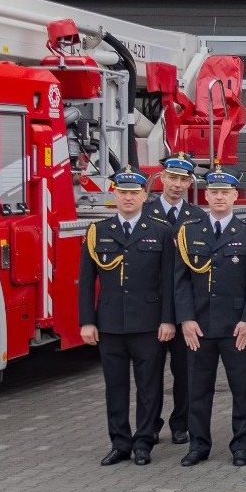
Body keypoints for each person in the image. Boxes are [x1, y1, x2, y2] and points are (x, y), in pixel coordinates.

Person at [81, 171, 176, 466]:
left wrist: (168, 320)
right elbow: (86, 281)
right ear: (115, 196)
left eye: (134, 193)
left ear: (144, 197)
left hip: (148, 323)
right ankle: (120, 442)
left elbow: (168, 282)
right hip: (110, 323)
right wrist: (87, 321)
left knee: (149, 386)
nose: (128, 197)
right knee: (115, 386)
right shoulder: (98, 230)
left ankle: (144, 441)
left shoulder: (161, 231)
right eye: (122, 192)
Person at [172, 171, 246, 467]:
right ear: (206, 196)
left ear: (236, 197)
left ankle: (241, 444)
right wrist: (185, 319)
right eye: (215, 192)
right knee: (198, 389)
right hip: (198, 326)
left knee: (243, 388)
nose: (220, 197)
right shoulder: (189, 232)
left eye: (226, 192)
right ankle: (198, 445)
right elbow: (181, 281)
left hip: (236, 325)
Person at [146, 153, 198, 445]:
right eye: (172, 178)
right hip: (152, 308)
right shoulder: (145, 212)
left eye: (183, 180)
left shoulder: (197, 217)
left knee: (186, 373)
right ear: (162, 178)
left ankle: (182, 423)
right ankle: (151, 424)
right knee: (151, 373)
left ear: (189, 183)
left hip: (186, 308)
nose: (177, 185)